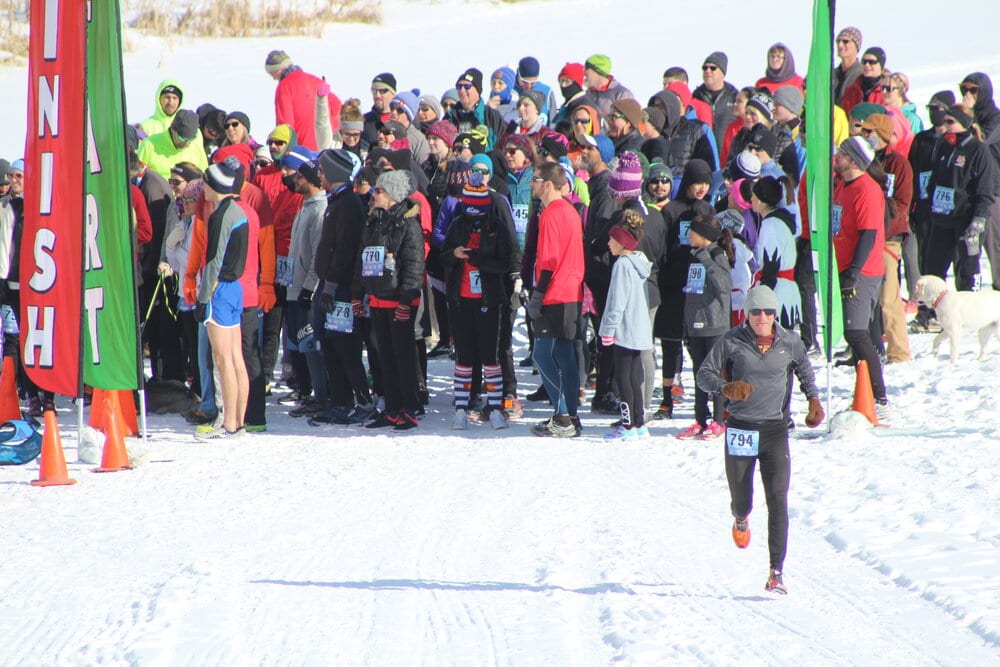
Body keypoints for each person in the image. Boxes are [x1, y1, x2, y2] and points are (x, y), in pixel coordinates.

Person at [697, 285, 825, 596]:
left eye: (768, 311)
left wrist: (814, 401)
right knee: (743, 500)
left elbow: (805, 372)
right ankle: (740, 519)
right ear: (747, 313)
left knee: (778, 501)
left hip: (774, 431)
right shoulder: (731, 341)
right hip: (741, 429)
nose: (762, 317)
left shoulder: (789, 342)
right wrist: (726, 388)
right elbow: (704, 374)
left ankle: (775, 572)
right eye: (756, 311)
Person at [442, 173, 516, 430]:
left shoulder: (496, 227)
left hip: (489, 299)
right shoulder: (458, 224)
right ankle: (461, 409)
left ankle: (495, 408)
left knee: (490, 356)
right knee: (464, 356)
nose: (472, 217)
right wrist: (454, 253)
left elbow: (506, 261)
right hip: (461, 300)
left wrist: (480, 261)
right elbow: (443, 255)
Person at [352, 170, 425, 431]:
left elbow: (415, 266)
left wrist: (407, 300)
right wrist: (356, 293)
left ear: (393, 195)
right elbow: (364, 258)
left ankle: (410, 407)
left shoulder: (408, 224)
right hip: (378, 298)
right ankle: (392, 408)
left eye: (380, 190)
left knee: (402, 357)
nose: (374, 193)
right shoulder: (375, 220)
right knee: (384, 358)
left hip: (399, 301)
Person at [833, 136, 890, 417]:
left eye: (842, 153)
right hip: (844, 266)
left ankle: (878, 396)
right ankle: (864, 390)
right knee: (856, 332)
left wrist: (853, 272)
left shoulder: (867, 189)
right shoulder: (843, 184)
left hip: (863, 271)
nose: (837, 156)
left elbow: (869, 234)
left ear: (854, 160)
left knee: (856, 332)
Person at [193, 161, 250, 439]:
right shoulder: (238, 211)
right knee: (236, 358)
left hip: (221, 290)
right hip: (235, 288)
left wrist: (203, 297)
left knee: (222, 358)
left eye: (205, 183)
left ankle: (228, 423)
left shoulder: (220, 215)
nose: (203, 188)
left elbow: (213, 261)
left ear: (216, 185)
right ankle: (238, 422)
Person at [529, 162, 585, 437]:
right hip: (572, 292)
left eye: (535, 180)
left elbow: (549, 260)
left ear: (548, 184)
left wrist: (537, 295)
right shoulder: (572, 211)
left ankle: (563, 417)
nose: (532, 184)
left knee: (541, 355)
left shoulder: (551, 213)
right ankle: (570, 417)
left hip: (555, 292)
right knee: (565, 355)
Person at [923, 105, 996, 292]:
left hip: (966, 221)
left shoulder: (978, 150)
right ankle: (928, 315)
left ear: (963, 123)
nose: (945, 125)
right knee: (932, 270)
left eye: (950, 122)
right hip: (941, 219)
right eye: (944, 121)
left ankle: (971, 313)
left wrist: (979, 219)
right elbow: (934, 180)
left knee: (967, 271)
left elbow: (985, 190)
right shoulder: (943, 146)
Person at [676, 215, 733, 440]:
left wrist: (707, 261)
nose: (688, 236)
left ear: (704, 236)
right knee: (699, 373)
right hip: (696, 325)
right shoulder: (693, 256)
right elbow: (692, 291)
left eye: (693, 232)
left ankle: (718, 421)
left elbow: (725, 286)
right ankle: (700, 419)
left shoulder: (717, 254)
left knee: (714, 373)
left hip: (715, 325)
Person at [862, 113, 913, 363]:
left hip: (889, 237)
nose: (866, 136)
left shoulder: (898, 164)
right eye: (864, 131)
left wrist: (882, 224)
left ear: (882, 134)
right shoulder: (862, 161)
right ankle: (863, 347)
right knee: (863, 296)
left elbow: (903, 202)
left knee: (888, 298)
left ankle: (899, 352)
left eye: (870, 132)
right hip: (864, 235)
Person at [599, 211, 653, 441]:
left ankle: (628, 425)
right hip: (638, 329)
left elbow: (617, 302)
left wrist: (609, 329)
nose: (608, 243)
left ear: (622, 242)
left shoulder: (622, 265)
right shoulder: (638, 262)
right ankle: (639, 424)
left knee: (623, 379)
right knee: (634, 377)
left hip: (623, 330)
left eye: (612, 240)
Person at [265, 49, 342, 151]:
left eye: (271, 74)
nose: (273, 78)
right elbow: (336, 105)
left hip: (303, 149)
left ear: (278, 70)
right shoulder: (315, 80)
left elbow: (285, 124)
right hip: (327, 144)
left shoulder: (284, 87)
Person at [136, 109, 209, 178]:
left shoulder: (196, 142)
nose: (187, 143)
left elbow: (204, 173)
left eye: (191, 139)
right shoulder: (149, 145)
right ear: (173, 130)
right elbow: (137, 174)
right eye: (182, 138)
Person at [692, 51, 740, 148]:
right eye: (705, 68)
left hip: (728, 152)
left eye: (712, 68)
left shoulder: (734, 96)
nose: (707, 71)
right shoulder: (696, 96)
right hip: (703, 150)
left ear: (723, 73)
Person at [841, 47, 887, 115]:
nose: (867, 65)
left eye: (871, 62)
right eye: (864, 62)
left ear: (881, 66)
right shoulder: (852, 90)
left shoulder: (886, 90)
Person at [833, 27, 863, 105]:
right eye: (838, 41)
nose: (840, 45)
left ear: (856, 46)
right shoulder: (831, 74)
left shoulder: (862, 74)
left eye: (845, 41)